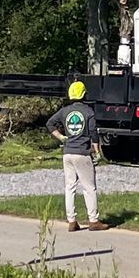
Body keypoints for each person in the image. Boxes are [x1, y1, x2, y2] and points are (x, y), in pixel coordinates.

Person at [44, 79, 104, 231]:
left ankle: (71, 221)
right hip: (82, 153)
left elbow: (49, 123)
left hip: (67, 153)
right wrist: (96, 151)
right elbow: (93, 134)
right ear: (84, 94)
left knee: (70, 187)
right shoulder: (88, 112)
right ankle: (93, 220)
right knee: (89, 187)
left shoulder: (64, 111)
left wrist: (61, 137)